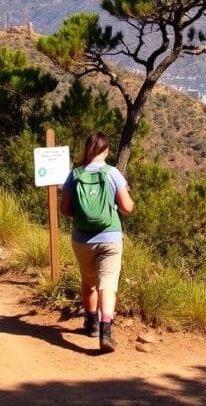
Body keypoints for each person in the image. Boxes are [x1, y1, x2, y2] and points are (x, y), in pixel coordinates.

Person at [60, 132, 135, 353]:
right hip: (110, 237)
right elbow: (127, 207)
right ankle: (105, 330)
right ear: (107, 150)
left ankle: (91, 322)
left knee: (89, 281)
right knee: (108, 284)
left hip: (82, 239)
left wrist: (84, 215)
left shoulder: (74, 175)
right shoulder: (113, 173)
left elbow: (64, 210)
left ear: (87, 149)